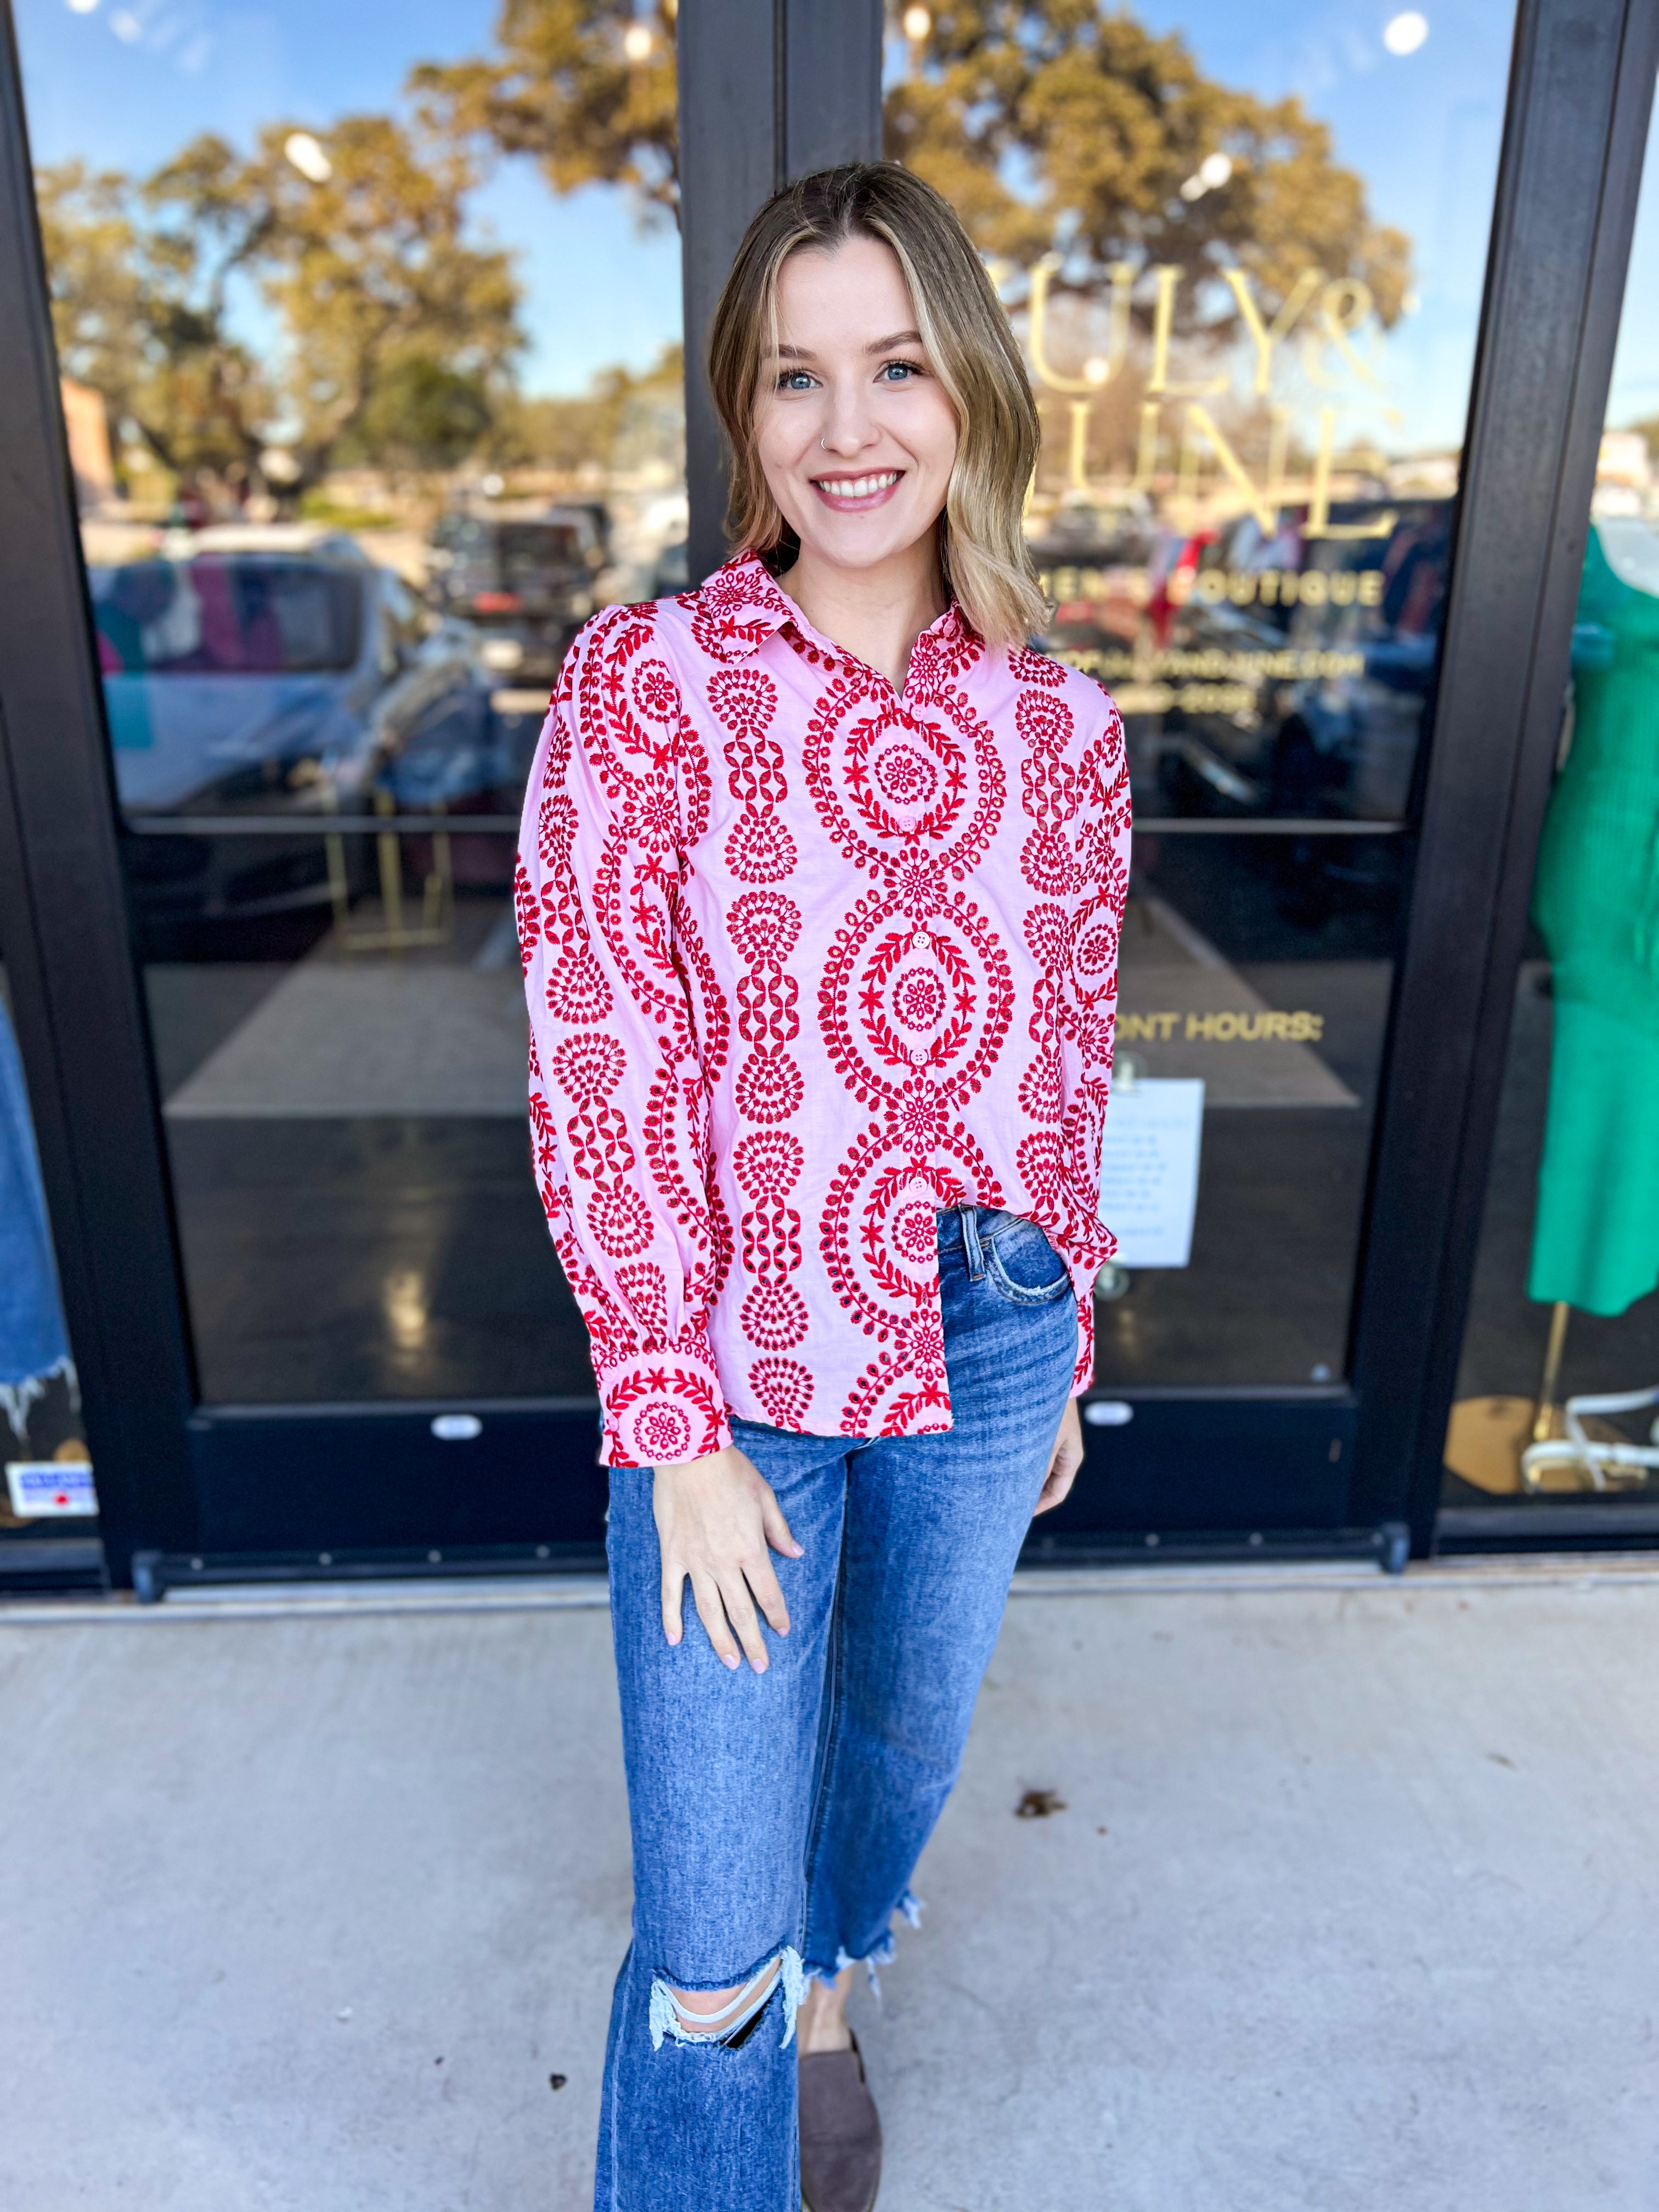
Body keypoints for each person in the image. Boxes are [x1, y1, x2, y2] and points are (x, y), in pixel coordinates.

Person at [515, 161, 1129, 2212]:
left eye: (896, 366)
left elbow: (1068, 1043)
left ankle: (846, 1980)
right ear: (745, 413)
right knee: (706, 1940)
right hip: (739, 1360)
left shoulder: (1067, 722)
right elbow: (598, 1061)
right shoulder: (647, 686)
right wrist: (667, 1424)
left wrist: (1072, 1324)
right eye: (795, 377)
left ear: (973, 393)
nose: (848, 427)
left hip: (996, 1330)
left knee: (899, 1758)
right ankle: (761, 2035)